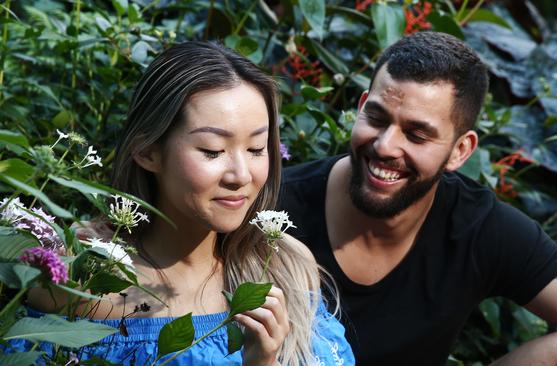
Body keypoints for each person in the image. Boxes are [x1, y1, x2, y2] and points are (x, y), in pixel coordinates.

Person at [278, 31, 557, 365]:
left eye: (417, 135)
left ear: (460, 150)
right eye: (376, 117)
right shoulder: (275, 209)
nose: (385, 145)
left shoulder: (476, 225)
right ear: (361, 107)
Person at [14, 41, 354, 366]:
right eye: (212, 150)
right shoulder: (85, 281)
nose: (240, 175)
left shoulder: (283, 267)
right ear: (147, 150)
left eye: (256, 149)